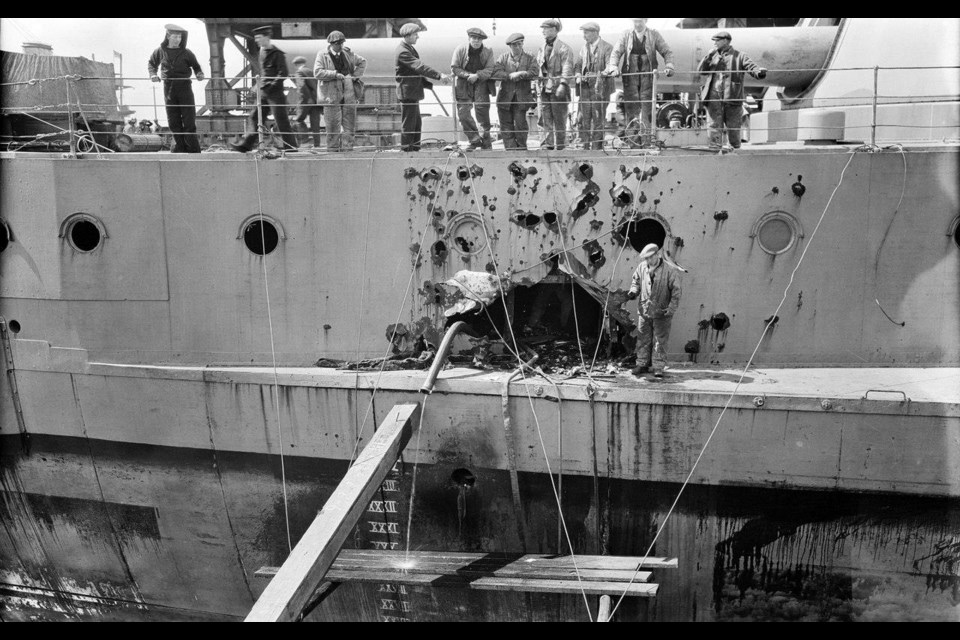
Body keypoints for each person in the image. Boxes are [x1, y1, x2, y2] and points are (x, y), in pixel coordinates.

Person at [604, 18, 675, 148]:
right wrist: (613, 67)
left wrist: (669, 65)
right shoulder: (626, 34)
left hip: (647, 77)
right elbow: (616, 52)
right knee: (631, 110)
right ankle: (633, 143)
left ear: (645, 21)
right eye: (635, 21)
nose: (637, 24)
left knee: (647, 110)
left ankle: (647, 142)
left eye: (640, 21)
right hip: (630, 77)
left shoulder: (654, 34)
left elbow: (666, 51)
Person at [231, 26, 298, 153]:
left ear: (266, 37)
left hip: (275, 94)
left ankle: (291, 148)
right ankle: (246, 145)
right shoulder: (262, 51)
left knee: (281, 121)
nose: (256, 40)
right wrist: (260, 85)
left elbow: (283, 73)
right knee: (254, 117)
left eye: (259, 38)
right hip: (264, 92)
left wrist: (271, 85)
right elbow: (263, 72)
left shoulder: (277, 54)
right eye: (256, 38)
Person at [697, 31, 767, 150]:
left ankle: (735, 151)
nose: (714, 43)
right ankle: (715, 150)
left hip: (732, 97)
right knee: (713, 126)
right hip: (713, 98)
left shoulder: (740, 56)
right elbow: (701, 71)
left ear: (725, 41)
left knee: (733, 127)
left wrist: (759, 72)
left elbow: (752, 67)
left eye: (717, 40)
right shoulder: (712, 56)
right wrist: (708, 57)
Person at [627, 244, 682, 378]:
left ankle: (658, 366)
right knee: (643, 338)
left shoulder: (669, 271)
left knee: (660, 340)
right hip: (644, 311)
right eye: (646, 258)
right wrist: (633, 291)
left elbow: (676, 292)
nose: (647, 261)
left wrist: (671, 309)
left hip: (662, 312)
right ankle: (641, 364)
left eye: (649, 258)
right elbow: (636, 281)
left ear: (657, 255)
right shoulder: (641, 267)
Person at [148, 24, 205, 154]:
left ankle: (193, 150)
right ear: (168, 36)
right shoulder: (160, 51)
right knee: (173, 120)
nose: (178, 39)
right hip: (168, 88)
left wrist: (199, 74)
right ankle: (178, 147)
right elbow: (151, 64)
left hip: (184, 87)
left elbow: (196, 66)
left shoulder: (187, 52)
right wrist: (153, 75)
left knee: (189, 119)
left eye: (180, 37)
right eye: (175, 36)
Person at [395, 24, 450, 152]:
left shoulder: (409, 49)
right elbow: (419, 66)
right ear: (408, 35)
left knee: (416, 123)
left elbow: (415, 71)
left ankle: (414, 148)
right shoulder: (403, 51)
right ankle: (407, 150)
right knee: (409, 123)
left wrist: (428, 84)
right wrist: (439, 75)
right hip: (407, 92)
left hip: (412, 92)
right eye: (415, 34)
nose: (417, 37)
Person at [314, 31, 367, 152]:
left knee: (349, 123)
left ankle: (347, 149)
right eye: (337, 44)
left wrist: (355, 76)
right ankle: (332, 150)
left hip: (349, 93)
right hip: (331, 95)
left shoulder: (348, 53)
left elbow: (362, 62)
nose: (340, 46)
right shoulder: (322, 55)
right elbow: (317, 72)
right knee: (332, 124)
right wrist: (334, 74)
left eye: (341, 43)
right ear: (331, 44)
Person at [451, 28, 497, 150]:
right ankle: (474, 139)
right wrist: (468, 75)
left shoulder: (488, 51)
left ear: (482, 40)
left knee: (483, 115)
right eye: (474, 38)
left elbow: (490, 69)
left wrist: (477, 75)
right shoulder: (460, 49)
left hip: (481, 84)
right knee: (463, 114)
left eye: (479, 39)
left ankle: (486, 143)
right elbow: (455, 68)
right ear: (469, 38)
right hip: (464, 84)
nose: (476, 41)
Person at [492, 33, 538, 151]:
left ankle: (522, 148)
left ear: (522, 44)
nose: (517, 47)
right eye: (514, 45)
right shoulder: (503, 58)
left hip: (521, 98)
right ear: (510, 46)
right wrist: (509, 76)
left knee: (520, 124)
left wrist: (522, 73)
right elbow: (496, 73)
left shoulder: (530, 57)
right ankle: (511, 149)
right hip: (505, 98)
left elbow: (534, 72)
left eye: (520, 44)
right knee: (506, 125)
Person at [536, 19, 576, 150]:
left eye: (545, 29)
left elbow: (567, 67)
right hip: (544, 90)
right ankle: (547, 145)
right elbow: (538, 66)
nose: (543, 31)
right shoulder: (542, 48)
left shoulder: (564, 48)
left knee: (559, 120)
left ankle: (560, 147)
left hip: (559, 90)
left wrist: (563, 85)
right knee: (545, 119)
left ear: (554, 30)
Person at [575, 23, 614, 151]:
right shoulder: (584, 48)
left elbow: (610, 66)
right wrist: (578, 75)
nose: (584, 36)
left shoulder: (607, 47)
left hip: (600, 89)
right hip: (585, 89)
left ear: (595, 32)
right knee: (583, 119)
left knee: (598, 120)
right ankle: (585, 147)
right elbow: (578, 65)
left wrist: (598, 75)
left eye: (586, 33)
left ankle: (596, 149)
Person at [292, 56, 321, 148]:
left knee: (298, 120)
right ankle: (317, 144)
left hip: (306, 100)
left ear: (296, 65)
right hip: (316, 101)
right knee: (315, 124)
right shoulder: (311, 72)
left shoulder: (299, 72)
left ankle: (305, 142)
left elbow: (302, 87)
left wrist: (306, 99)